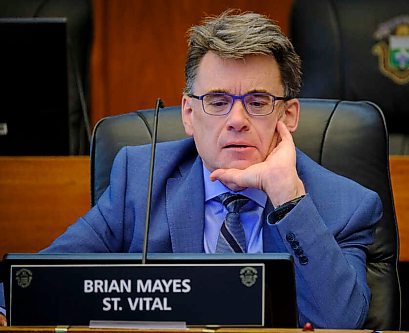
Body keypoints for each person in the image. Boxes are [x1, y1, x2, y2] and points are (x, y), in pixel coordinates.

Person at [0, 10, 382, 328]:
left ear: (289, 114)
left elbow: (342, 323)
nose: (236, 120)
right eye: (217, 101)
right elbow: (38, 280)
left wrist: (289, 199)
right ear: (188, 113)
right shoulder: (140, 179)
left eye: (258, 101)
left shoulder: (346, 206)